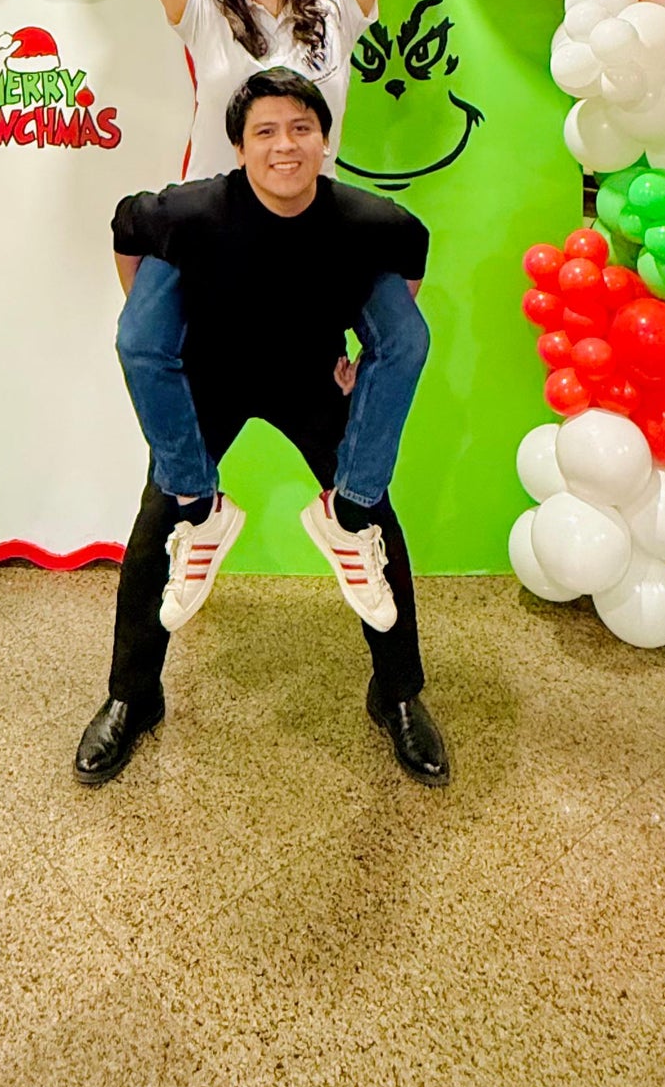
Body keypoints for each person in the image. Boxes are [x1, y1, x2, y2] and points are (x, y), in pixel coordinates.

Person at [56, 0, 438, 605]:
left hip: (318, 236)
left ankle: (350, 513)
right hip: (210, 233)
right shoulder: (202, 11)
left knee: (404, 341)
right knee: (139, 342)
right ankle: (200, 505)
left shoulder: (340, 6)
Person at [73, 69, 450, 789]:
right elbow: (127, 228)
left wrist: (364, 364)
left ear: (324, 139)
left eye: (301, 128)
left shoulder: (368, 221)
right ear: (240, 147)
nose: (286, 145)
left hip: (309, 375)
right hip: (212, 374)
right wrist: (168, 339)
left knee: (367, 514)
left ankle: (397, 693)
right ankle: (133, 694)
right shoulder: (193, 212)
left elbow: (407, 273)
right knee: (164, 518)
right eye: (266, 131)